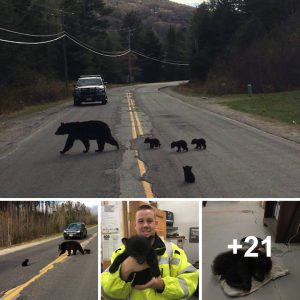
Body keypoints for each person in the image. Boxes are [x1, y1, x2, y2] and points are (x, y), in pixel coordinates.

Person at [101, 204, 199, 299]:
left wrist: (162, 285)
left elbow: (190, 281)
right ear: (135, 225)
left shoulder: (173, 251)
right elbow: (106, 291)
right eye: (140, 221)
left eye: (149, 221)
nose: (145, 225)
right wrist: (124, 271)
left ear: (156, 224)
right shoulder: (119, 252)